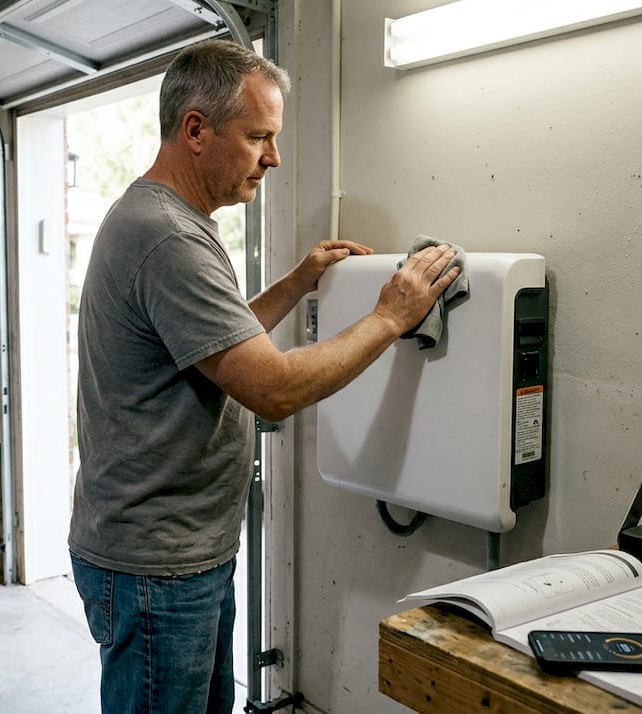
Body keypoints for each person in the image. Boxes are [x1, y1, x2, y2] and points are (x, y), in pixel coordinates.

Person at [69, 38, 460, 714]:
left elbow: (207, 344)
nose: (274, 157)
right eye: (260, 137)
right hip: (157, 566)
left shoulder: (165, 220)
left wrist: (296, 284)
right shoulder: (169, 238)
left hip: (174, 552)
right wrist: (392, 316)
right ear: (197, 129)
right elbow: (271, 385)